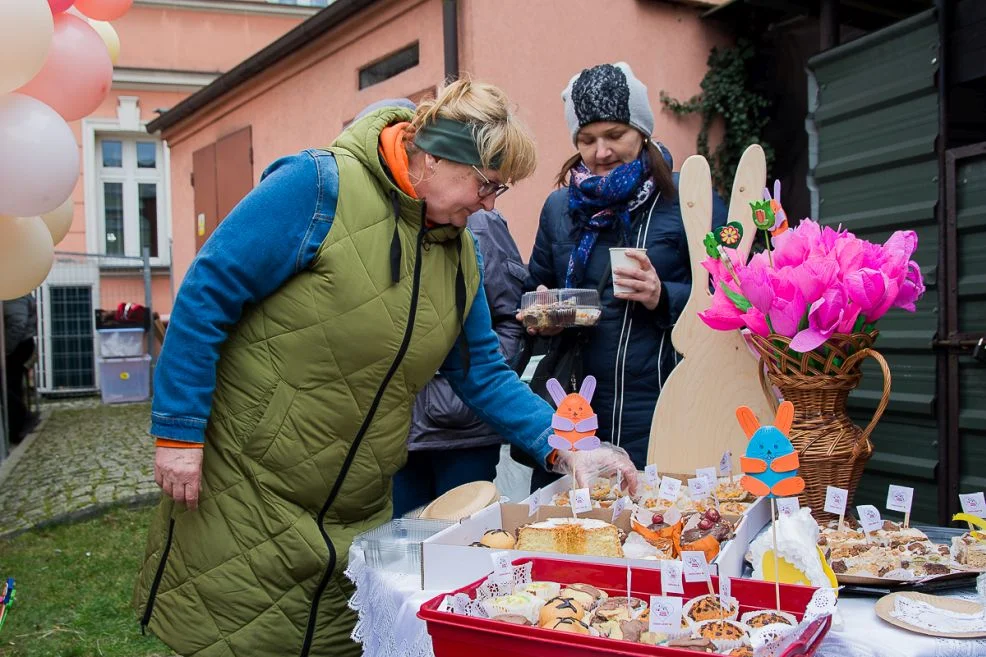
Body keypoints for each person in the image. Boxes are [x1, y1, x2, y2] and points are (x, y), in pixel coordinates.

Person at [133, 79, 637, 657]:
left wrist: (566, 445)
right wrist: (178, 430)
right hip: (249, 486)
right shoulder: (319, 186)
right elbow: (206, 293)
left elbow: (483, 374)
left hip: (358, 504)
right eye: (486, 184)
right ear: (437, 156)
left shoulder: (460, 251)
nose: (489, 204)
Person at [522, 63, 727, 488]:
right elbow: (531, 291)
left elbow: (735, 301)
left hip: (665, 409)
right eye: (587, 139)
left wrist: (663, 295)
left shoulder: (689, 201)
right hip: (578, 413)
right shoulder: (560, 209)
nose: (600, 152)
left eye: (615, 135)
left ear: (643, 131)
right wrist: (543, 313)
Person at [394, 207, 527, 518]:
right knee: (397, 547)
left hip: (462, 431)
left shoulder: (481, 222)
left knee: (460, 547)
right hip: (393, 429)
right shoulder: (383, 216)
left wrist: (463, 384)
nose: (489, 199)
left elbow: (511, 320)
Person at [3, 293, 38, 444]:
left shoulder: (13, 294)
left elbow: (17, 323)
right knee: (13, 385)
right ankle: (17, 428)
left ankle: (21, 420)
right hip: (20, 344)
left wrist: (5, 349)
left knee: (7, 385)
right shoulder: (18, 292)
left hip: (17, 345)